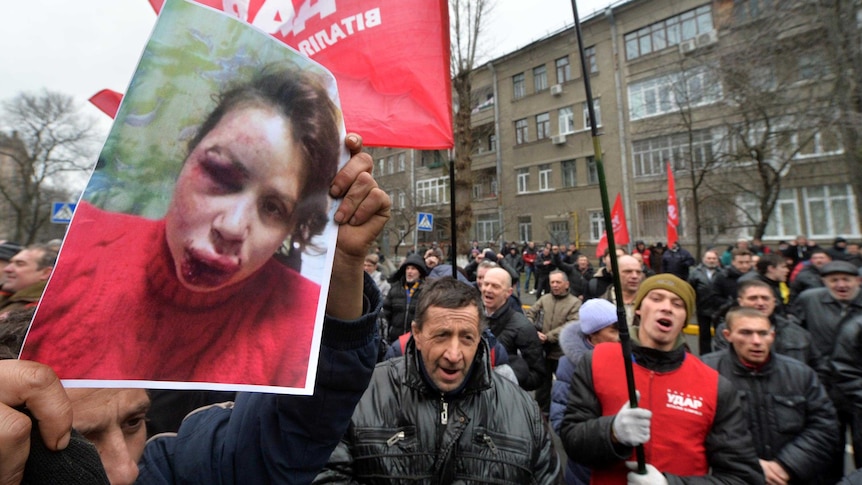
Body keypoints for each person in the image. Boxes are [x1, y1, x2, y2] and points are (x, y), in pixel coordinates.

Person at [0, 133, 391, 484]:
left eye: (135, 422)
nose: (125, 470)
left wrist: (337, 273)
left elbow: (289, 431)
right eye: (81, 438)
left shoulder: (171, 467)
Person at [21, 67, 345, 388]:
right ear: (187, 157)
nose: (232, 227)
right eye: (220, 174)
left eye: (273, 208)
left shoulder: (307, 321)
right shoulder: (79, 255)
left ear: (293, 226)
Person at [313, 277, 560, 483]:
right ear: (417, 334)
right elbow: (325, 474)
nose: (453, 355)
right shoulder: (363, 395)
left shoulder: (523, 411)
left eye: (466, 338)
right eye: (442, 335)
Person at [559, 274, 764, 484]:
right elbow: (572, 440)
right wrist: (611, 432)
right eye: (656, 299)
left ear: (685, 319)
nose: (667, 307)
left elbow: (744, 478)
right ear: (638, 308)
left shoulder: (714, 384)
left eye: (678, 304)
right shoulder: (596, 361)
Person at [702, 307, 840, 485]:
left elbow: (825, 427)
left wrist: (786, 465)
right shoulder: (706, 373)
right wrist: (751, 467)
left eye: (763, 333)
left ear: (772, 336)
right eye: (746, 333)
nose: (756, 341)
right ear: (727, 335)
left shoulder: (800, 374)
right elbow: (699, 430)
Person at [551, 298, 620, 485]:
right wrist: (607, 435)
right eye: (613, 330)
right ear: (593, 333)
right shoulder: (569, 365)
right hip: (585, 470)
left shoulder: (625, 358)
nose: (620, 335)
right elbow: (560, 420)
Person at [526, 270, 582, 414]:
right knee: (542, 388)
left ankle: (563, 416)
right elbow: (530, 313)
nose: (555, 285)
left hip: (561, 353)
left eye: (558, 282)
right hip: (543, 352)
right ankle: (540, 416)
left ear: (566, 284)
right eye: (552, 282)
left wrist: (548, 336)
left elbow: (571, 325)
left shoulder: (574, 303)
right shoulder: (544, 299)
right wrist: (533, 331)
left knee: (563, 387)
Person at [482, 267, 546, 391]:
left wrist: (508, 377)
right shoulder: (473, 317)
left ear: (509, 292)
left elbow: (537, 375)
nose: (488, 289)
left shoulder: (523, 327)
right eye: (486, 284)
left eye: (495, 286)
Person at [0, 243, 57, 318]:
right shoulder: (7, 296)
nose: (7, 269)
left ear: (45, 273)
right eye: (11, 263)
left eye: (20, 264)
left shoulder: (39, 312)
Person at [382, 253, 427, 345]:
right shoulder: (395, 289)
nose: (409, 271)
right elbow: (386, 315)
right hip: (395, 340)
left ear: (420, 272)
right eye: (407, 268)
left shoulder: (426, 291)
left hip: (415, 341)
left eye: (413, 269)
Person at [688, 249, 721, 354]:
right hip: (703, 309)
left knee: (720, 335)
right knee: (704, 336)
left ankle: (719, 356)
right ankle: (705, 358)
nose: (711, 261)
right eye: (709, 258)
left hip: (720, 310)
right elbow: (690, 290)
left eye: (714, 258)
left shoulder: (723, 273)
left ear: (717, 260)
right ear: (704, 259)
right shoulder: (695, 273)